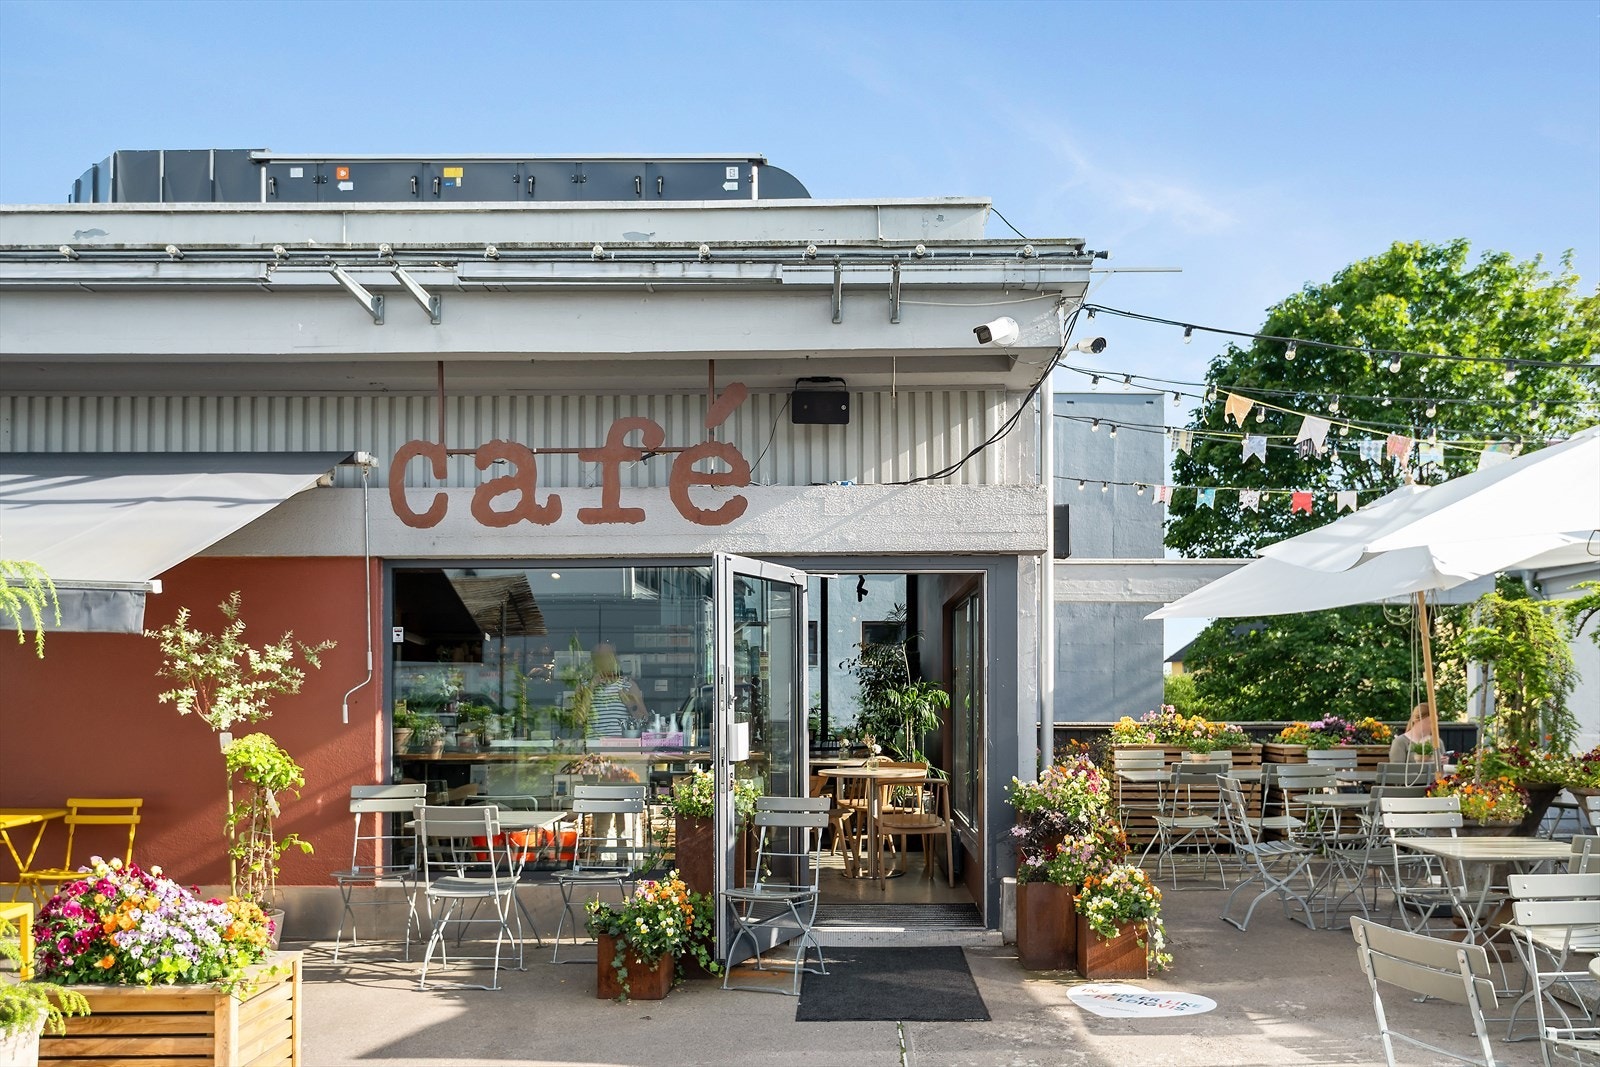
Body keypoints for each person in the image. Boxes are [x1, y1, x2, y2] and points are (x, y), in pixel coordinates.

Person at [587, 642, 648, 737]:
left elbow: (645, 720)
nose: (604, 662)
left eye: (608, 657)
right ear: (593, 662)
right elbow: (578, 721)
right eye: (599, 658)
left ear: (615, 659)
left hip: (619, 746)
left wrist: (630, 704)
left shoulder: (628, 685)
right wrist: (591, 688)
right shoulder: (586, 686)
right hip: (593, 747)